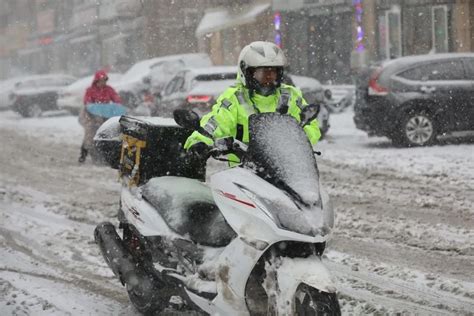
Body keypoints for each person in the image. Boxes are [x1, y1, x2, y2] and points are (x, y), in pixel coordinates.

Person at [184, 41, 321, 160]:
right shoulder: (235, 98)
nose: (268, 77)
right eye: (262, 73)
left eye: (272, 72)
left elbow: (311, 127)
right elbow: (215, 122)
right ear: (246, 72)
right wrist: (199, 141)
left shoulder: (289, 96)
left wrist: (296, 141)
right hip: (243, 171)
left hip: (285, 169)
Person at [78, 70, 122, 163]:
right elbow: (87, 103)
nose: (103, 83)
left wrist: (115, 106)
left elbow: (116, 99)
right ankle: (83, 155)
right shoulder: (90, 90)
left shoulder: (109, 89)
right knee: (90, 134)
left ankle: (105, 156)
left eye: (104, 81)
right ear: (96, 81)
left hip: (105, 116)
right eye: (101, 81)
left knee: (108, 134)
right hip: (91, 116)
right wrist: (96, 108)